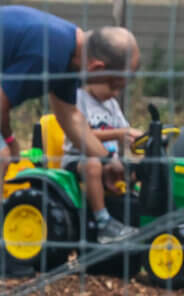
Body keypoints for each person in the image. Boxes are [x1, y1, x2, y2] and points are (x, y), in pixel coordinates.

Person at [0, 6, 141, 275]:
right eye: (114, 86)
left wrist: (107, 160)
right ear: (97, 66)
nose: (113, 95)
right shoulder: (50, 53)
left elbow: (71, 117)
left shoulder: (67, 56)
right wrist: (11, 140)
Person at [61, 83, 144, 218]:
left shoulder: (112, 104)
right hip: (78, 159)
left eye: (119, 88)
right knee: (93, 165)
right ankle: (103, 219)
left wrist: (136, 141)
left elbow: (124, 132)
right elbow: (83, 134)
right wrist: (120, 133)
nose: (116, 93)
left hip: (111, 159)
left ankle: (136, 208)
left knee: (139, 169)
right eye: (112, 86)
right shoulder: (78, 99)